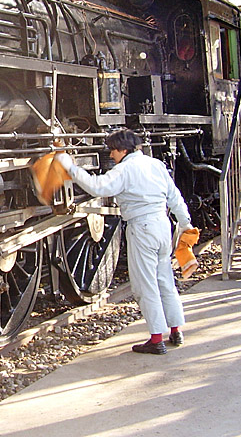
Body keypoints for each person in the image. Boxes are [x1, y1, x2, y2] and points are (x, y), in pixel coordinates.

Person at [54, 129, 193, 355]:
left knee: (145, 285)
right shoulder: (155, 164)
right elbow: (174, 197)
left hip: (142, 228)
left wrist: (69, 166)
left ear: (123, 149)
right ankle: (176, 330)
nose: (111, 155)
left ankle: (156, 339)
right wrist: (185, 223)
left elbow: (97, 187)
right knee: (165, 279)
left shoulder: (125, 169)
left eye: (113, 150)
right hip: (162, 225)